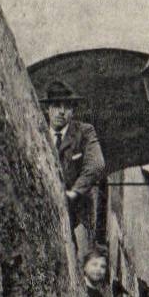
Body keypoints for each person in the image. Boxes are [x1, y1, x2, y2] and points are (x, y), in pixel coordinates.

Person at [41, 79, 106, 255]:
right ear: (47, 109)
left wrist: (75, 191)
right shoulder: (39, 134)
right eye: (56, 105)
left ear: (73, 110)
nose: (61, 111)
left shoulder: (84, 132)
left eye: (67, 106)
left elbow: (96, 165)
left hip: (77, 218)